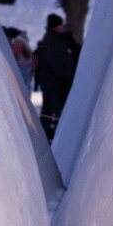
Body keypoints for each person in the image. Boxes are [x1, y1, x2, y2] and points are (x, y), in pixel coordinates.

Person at [34, 13, 81, 142]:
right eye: (60, 26)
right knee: (53, 108)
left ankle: (48, 131)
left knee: (52, 107)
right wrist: (66, 77)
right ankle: (49, 133)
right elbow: (58, 64)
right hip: (54, 83)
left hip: (55, 82)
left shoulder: (58, 39)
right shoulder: (53, 40)